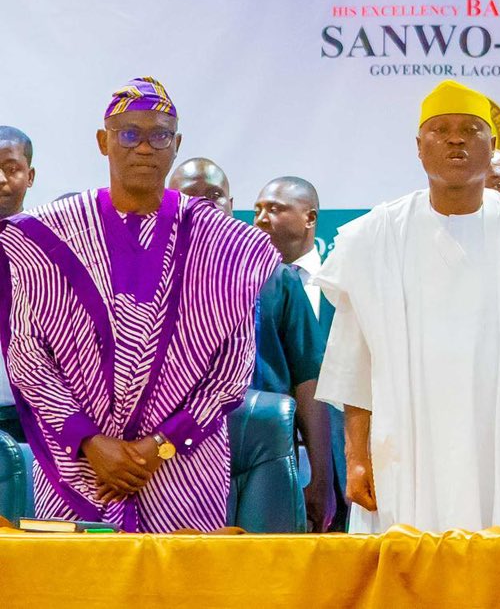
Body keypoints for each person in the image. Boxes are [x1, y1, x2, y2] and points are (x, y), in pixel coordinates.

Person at [314, 79, 500, 532]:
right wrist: (356, 457)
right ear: (419, 147)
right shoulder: (375, 237)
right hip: (403, 450)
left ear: (491, 146)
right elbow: (354, 363)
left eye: (470, 129)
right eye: (440, 129)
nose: (455, 139)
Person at [0, 79, 277, 530]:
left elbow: (230, 374)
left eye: (159, 135)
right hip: (81, 467)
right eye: (129, 134)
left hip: (182, 470)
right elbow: (28, 358)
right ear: (103, 141)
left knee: (182, 595)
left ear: (177, 143)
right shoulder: (51, 234)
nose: (144, 147)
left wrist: (160, 447)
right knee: (80, 594)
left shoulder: (223, 242)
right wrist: (91, 442)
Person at [168, 159, 336, 531]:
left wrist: (321, 478)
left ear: (230, 204)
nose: (203, 205)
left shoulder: (275, 275)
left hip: (264, 455)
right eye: (189, 196)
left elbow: (309, 380)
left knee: (265, 575)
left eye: (214, 196)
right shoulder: (146, 279)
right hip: (171, 457)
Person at [252, 175, 344, 529]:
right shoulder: (247, 282)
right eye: (258, 209)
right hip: (271, 456)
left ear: (309, 218)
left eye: (275, 209)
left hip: (340, 457)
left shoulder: (344, 282)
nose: (262, 218)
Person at [0, 125, 33, 438]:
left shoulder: (49, 247)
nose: (1, 179)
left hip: (31, 412)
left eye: (11, 169)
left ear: (31, 176)